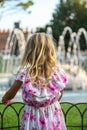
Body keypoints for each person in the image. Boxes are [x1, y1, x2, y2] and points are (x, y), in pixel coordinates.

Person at [2, 33, 68, 130]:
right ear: (50, 51)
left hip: (32, 116)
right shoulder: (57, 72)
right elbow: (60, 92)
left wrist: (4, 99)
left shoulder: (24, 74)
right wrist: (49, 103)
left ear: (29, 52)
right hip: (53, 115)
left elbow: (11, 94)